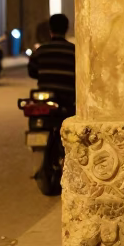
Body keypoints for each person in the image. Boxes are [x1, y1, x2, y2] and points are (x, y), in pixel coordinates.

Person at [27, 13, 75, 195]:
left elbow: (32, 72)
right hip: (65, 100)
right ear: (66, 28)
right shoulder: (73, 52)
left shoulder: (41, 51)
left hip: (44, 100)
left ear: (50, 30)